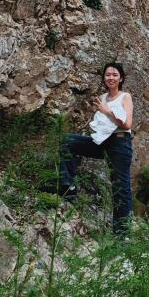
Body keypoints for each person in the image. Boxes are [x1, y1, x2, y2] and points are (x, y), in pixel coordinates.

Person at [59, 62, 133, 237]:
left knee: (121, 189)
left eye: (115, 74)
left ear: (121, 78)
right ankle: (67, 186)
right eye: (108, 74)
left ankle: (122, 235)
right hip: (102, 141)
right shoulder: (103, 97)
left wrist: (107, 112)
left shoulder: (125, 97)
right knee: (68, 141)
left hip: (120, 143)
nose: (111, 77)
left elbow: (127, 124)